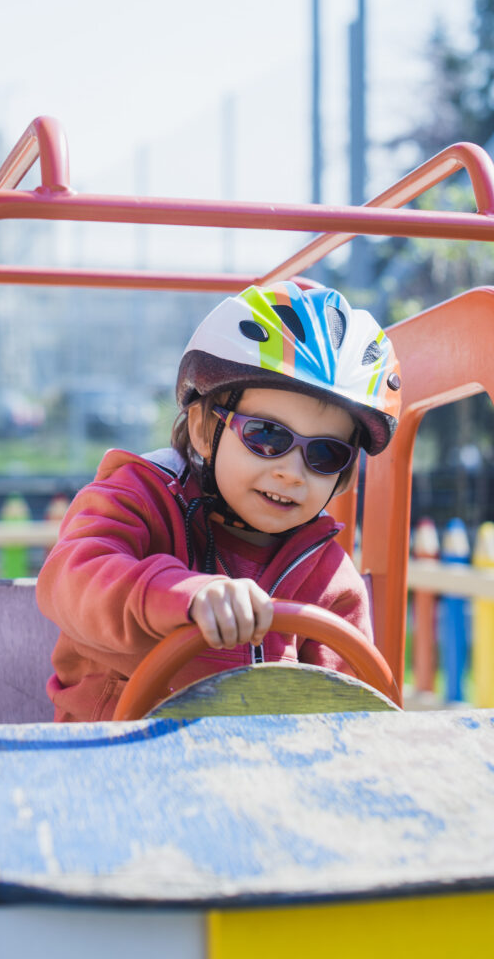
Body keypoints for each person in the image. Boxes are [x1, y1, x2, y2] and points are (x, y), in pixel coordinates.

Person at [36, 281, 401, 721]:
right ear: (204, 428)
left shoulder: (327, 579)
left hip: (255, 774)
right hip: (107, 760)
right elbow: (71, 577)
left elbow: (350, 708)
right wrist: (185, 595)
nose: (292, 471)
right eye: (267, 436)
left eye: (325, 453)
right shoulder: (141, 496)